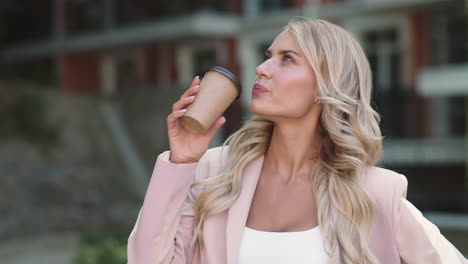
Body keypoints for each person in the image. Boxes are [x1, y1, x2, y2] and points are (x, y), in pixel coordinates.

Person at [127, 17, 467, 264]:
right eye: (268, 55)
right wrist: (181, 159)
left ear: (326, 86)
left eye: (286, 59)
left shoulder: (375, 193)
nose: (262, 68)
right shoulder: (212, 172)